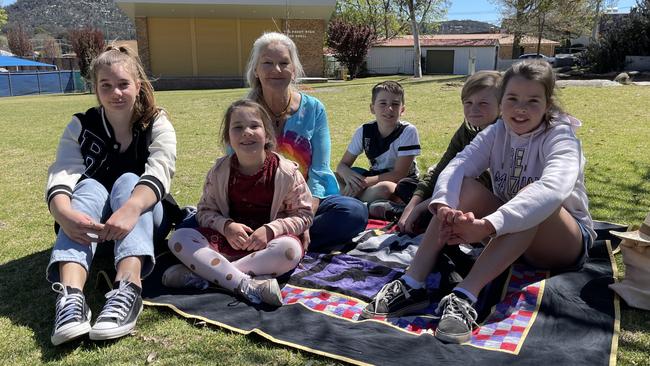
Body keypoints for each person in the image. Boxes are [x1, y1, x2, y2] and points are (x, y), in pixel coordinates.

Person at [362, 60, 595, 344]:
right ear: (502, 102)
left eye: (533, 100)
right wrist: (444, 206)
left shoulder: (560, 136)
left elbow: (552, 190)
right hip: (508, 235)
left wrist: (487, 226)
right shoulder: (496, 132)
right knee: (463, 188)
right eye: (512, 99)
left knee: (533, 198)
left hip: (562, 243)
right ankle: (412, 283)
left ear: (547, 104)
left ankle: (465, 296)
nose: (521, 108)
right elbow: (458, 165)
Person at [45, 45, 177, 345]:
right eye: (106, 85)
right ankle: (70, 297)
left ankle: (128, 288)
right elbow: (62, 172)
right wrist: (64, 214)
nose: (116, 92)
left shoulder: (155, 122)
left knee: (130, 180)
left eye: (123, 84)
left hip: (143, 226)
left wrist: (130, 208)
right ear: (95, 88)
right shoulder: (80, 125)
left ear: (137, 86)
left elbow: (161, 169)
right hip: (90, 230)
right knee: (89, 186)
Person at [162, 99, 313, 306]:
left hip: (267, 246)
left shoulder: (286, 173)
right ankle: (246, 284)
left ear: (267, 134)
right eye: (238, 127)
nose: (247, 132)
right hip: (225, 242)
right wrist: (226, 226)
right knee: (179, 238)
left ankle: (207, 273)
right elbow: (205, 211)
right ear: (228, 137)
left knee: (289, 251)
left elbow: (304, 214)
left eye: (254, 126)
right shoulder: (219, 172)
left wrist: (271, 229)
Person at [245, 32, 367, 252]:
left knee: (354, 213)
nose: (277, 70)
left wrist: (304, 217)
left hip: (307, 200)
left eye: (284, 63)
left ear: (294, 69)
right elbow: (236, 166)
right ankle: (284, 244)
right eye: (267, 63)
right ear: (256, 69)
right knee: (201, 224)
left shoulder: (314, 109)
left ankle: (277, 243)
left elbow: (320, 170)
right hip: (258, 203)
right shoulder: (243, 112)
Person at [397, 71, 501, 234]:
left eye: (483, 103)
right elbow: (443, 168)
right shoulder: (467, 129)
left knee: (431, 213)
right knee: (407, 187)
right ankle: (404, 212)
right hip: (454, 193)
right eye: (468, 102)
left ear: (501, 105)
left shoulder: (502, 134)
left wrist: (421, 208)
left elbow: (475, 184)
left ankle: (404, 214)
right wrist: (411, 206)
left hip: (485, 205)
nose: (474, 109)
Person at [335, 81, 421, 205]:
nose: (389, 109)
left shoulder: (408, 131)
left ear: (402, 109)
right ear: (372, 108)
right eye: (383, 103)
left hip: (400, 183)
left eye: (395, 104)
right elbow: (342, 165)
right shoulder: (364, 131)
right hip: (373, 178)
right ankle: (366, 201)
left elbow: (399, 174)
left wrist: (362, 183)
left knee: (386, 189)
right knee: (330, 177)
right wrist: (348, 175)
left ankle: (349, 197)